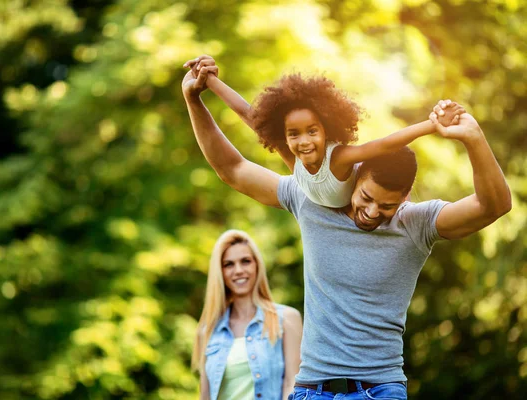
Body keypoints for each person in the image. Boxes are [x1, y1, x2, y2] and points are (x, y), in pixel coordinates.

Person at [182, 62, 511, 400]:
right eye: (366, 198)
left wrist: (473, 138)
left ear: (405, 199)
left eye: (387, 207)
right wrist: (194, 101)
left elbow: (494, 206)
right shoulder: (310, 199)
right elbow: (233, 168)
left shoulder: (416, 223)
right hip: (313, 389)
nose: (371, 213)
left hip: (379, 389)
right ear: (355, 177)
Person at [182, 55, 464, 208]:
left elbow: (383, 144)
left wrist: (431, 125)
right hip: (320, 197)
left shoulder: (338, 159)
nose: (303, 142)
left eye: (312, 131)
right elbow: (249, 114)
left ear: (326, 130)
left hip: (360, 199)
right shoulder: (294, 159)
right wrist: (207, 79)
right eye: (294, 134)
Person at [192, 229, 303, 400]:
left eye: (245, 261)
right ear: (220, 272)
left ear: (257, 265)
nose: (238, 270)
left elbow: (292, 384)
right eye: (228, 264)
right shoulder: (207, 331)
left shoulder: (287, 319)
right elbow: (205, 396)